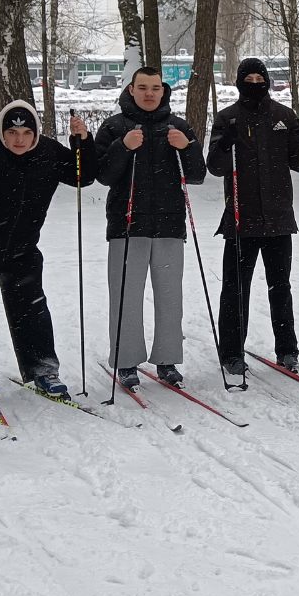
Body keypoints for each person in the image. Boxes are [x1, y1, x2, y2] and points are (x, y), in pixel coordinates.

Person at [0, 100, 95, 399]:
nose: (19, 139)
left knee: (32, 307)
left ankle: (43, 368)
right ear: (2, 132)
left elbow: (83, 175)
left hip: (22, 245)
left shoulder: (48, 152)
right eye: (11, 132)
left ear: (35, 132)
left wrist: (83, 143)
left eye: (26, 133)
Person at [95, 68, 205, 389]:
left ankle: (167, 360)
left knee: (170, 298)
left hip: (169, 224)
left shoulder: (178, 126)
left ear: (162, 90)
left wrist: (187, 147)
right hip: (127, 225)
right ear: (131, 90)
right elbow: (103, 174)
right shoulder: (114, 126)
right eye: (142, 87)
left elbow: (197, 175)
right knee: (126, 296)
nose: (149, 93)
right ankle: (126, 360)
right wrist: (123, 146)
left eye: (155, 88)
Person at [207, 58, 299, 376]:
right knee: (235, 289)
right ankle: (231, 352)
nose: (255, 84)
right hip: (240, 219)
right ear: (239, 82)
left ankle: (287, 350)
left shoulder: (283, 116)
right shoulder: (227, 118)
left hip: (278, 219)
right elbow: (215, 166)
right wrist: (224, 146)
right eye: (249, 79)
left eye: (260, 79)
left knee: (280, 287)